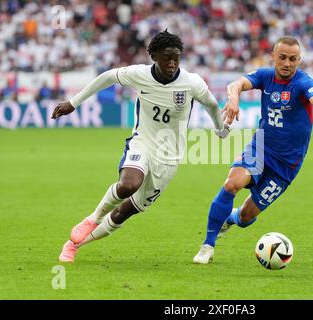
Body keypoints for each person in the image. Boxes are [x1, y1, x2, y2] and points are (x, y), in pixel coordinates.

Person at [52, 29, 229, 262]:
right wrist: (74, 102)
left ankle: (75, 245)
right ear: (153, 55)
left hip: (169, 158)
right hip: (142, 142)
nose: (173, 63)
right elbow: (106, 77)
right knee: (128, 185)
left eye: (176, 57)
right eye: (167, 57)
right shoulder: (139, 74)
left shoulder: (192, 82)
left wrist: (220, 128)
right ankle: (92, 218)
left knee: (124, 211)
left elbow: (212, 105)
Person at [193, 36, 313, 264]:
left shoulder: (303, 82)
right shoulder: (264, 76)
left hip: (286, 165)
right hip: (261, 147)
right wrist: (233, 100)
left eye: (293, 59)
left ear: (299, 60)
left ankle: (229, 219)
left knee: (246, 216)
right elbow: (236, 84)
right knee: (232, 184)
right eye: (282, 58)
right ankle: (207, 246)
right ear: (273, 57)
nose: (287, 63)